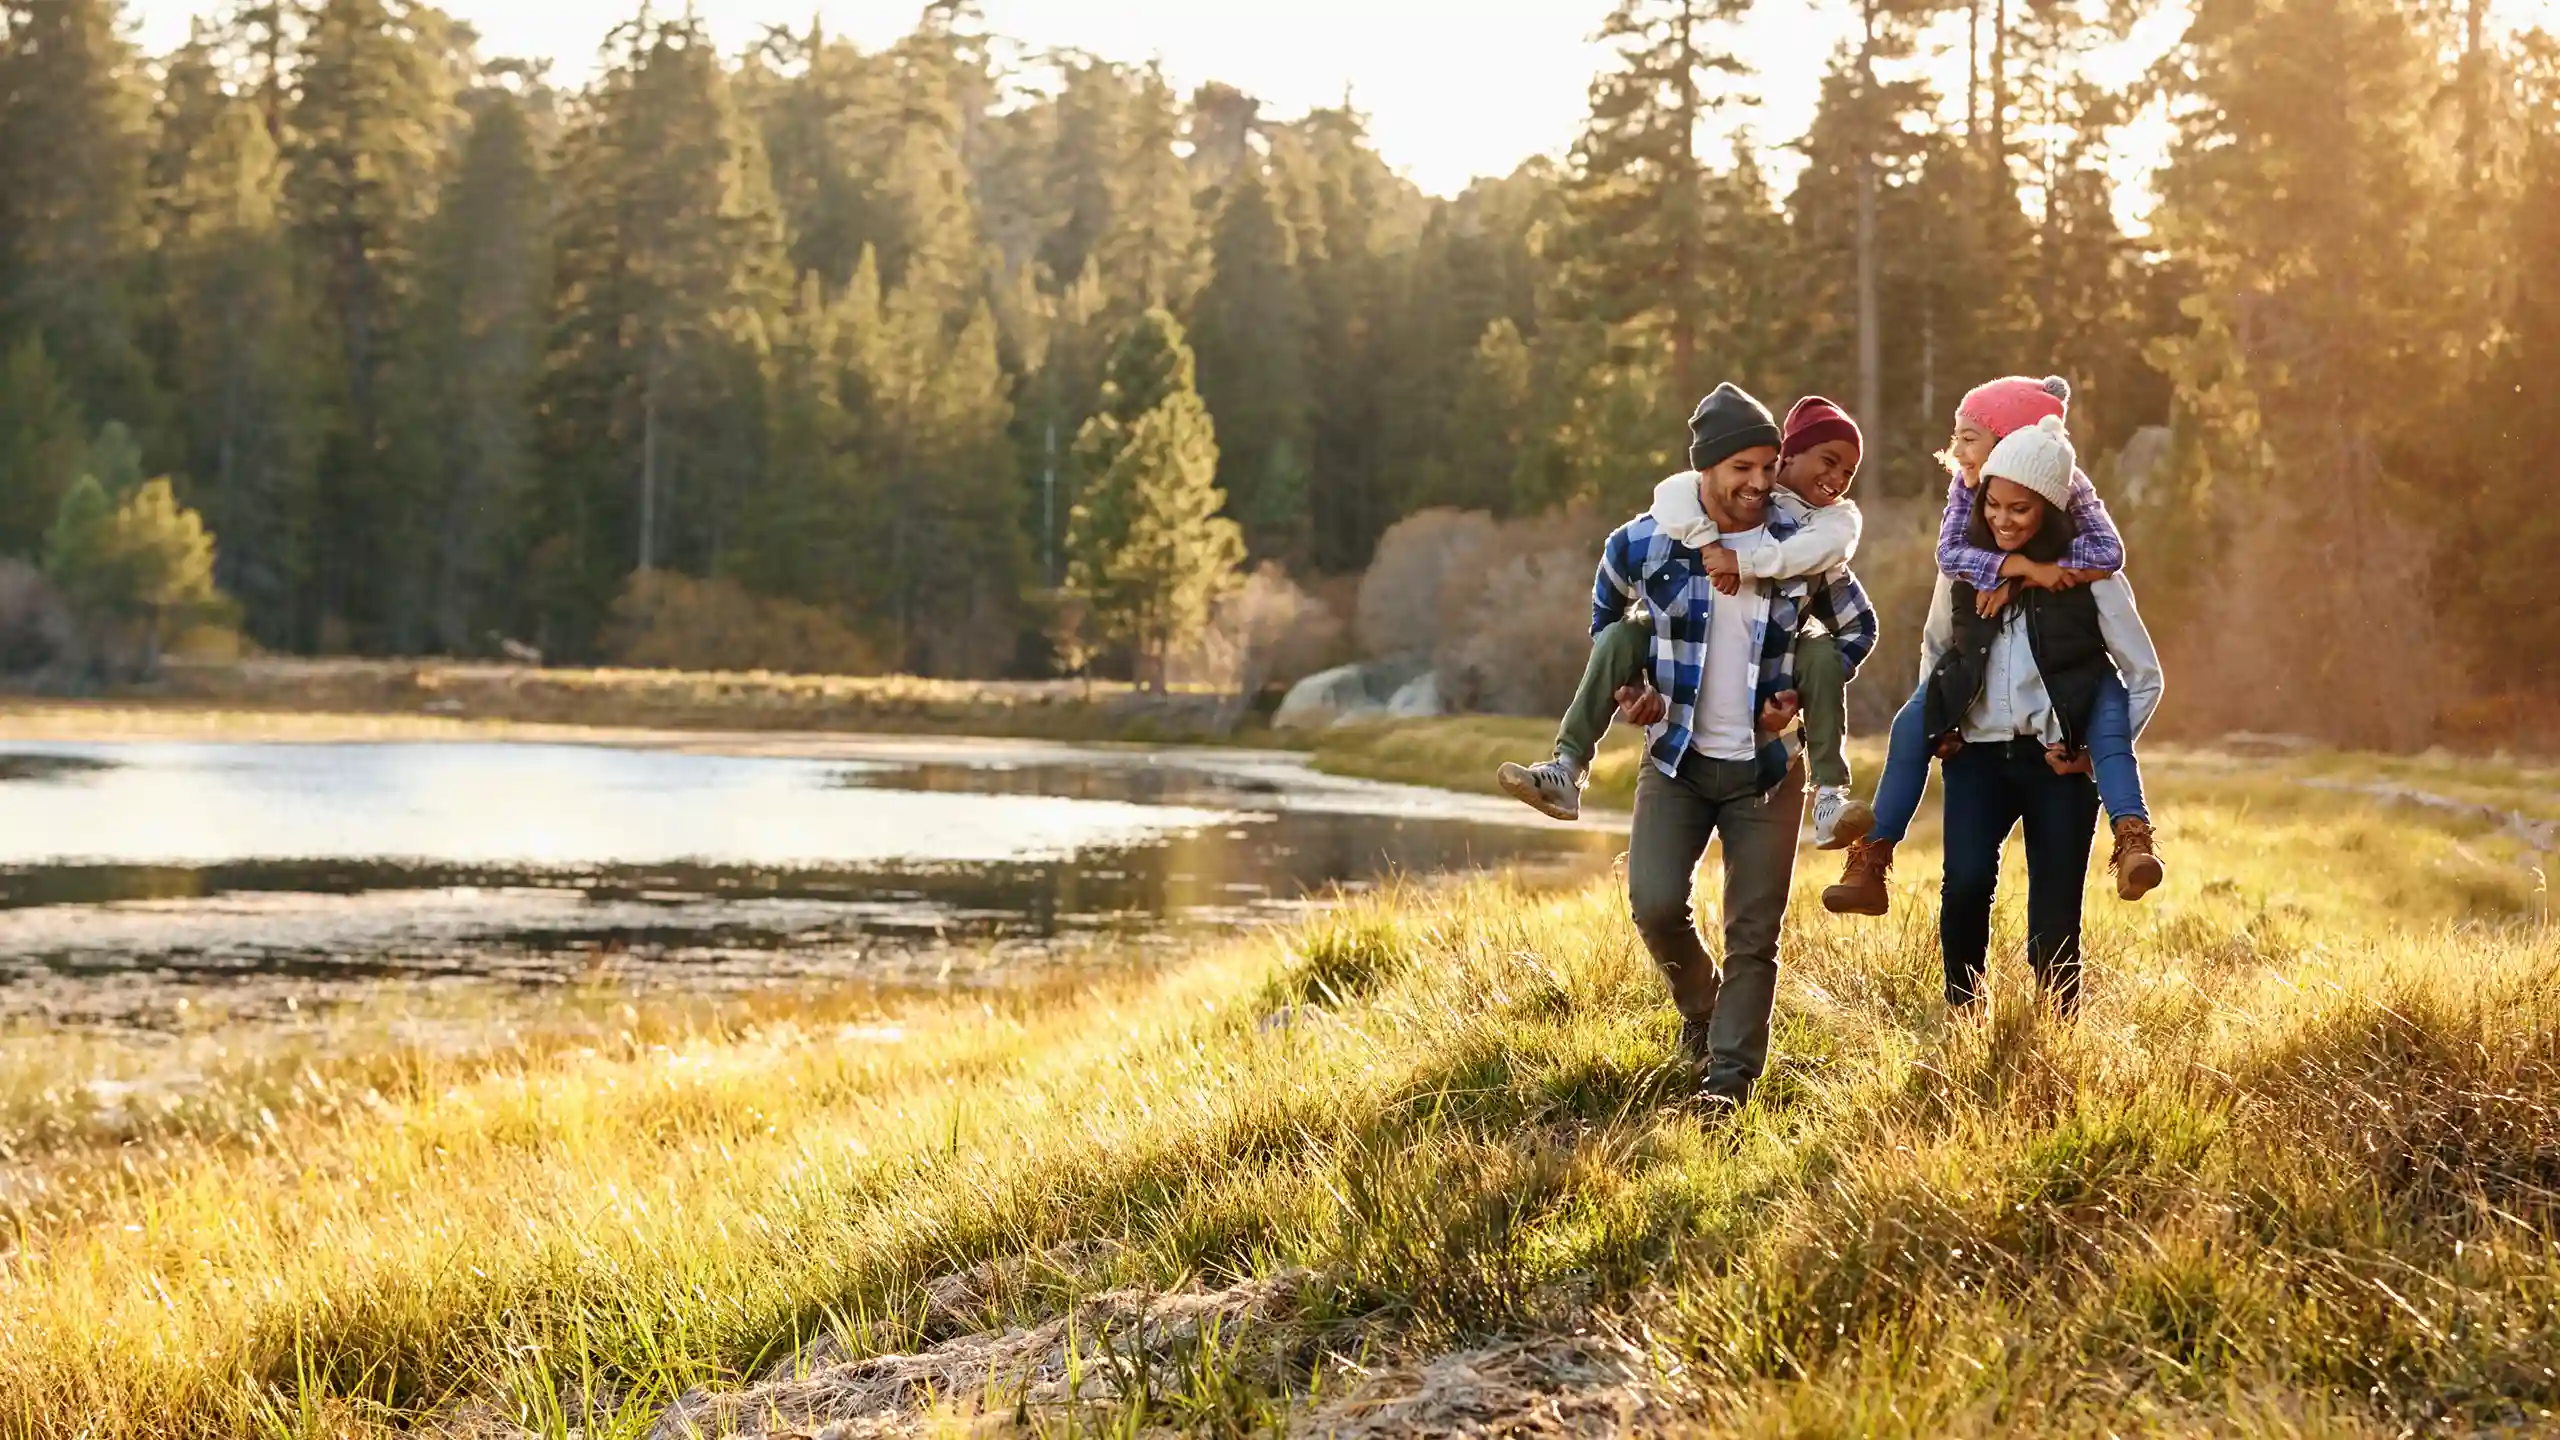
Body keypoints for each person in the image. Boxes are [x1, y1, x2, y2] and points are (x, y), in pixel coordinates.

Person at [1575, 383, 1878, 1109]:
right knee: (1654, 904)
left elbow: (1858, 628)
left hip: (1767, 774)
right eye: (1742, 468)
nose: (1759, 483)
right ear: (1704, 469)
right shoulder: (1646, 540)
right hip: (1675, 761)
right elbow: (1606, 617)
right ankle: (1705, 1010)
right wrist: (1631, 689)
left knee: (1754, 933)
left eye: (1768, 467)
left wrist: (1802, 693)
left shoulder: (1796, 547)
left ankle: (1729, 1082)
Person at [1823, 375, 2165, 917]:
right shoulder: (1967, 495)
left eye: (1969, 438)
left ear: (2010, 445)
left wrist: (2030, 574)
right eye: (1957, 437)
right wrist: (2012, 568)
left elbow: (2107, 555)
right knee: (1910, 726)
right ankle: (1871, 857)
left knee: (2109, 723)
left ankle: (2133, 837)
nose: (1957, 451)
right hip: (1976, 704)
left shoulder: (2066, 490)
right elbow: (1948, 573)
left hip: (2073, 686)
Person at [1496, 396, 1876, 847]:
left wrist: (1803, 688)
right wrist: (1632, 685)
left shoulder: (1823, 531)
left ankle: (1829, 796)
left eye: (1849, 472)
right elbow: (1670, 498)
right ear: (1787, 456)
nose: (1839, 480)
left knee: (1821, 653)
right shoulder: (1692, 512)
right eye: (1829, 462)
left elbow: (1857, 617)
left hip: (1768, 735)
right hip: (1677, 739)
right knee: (1619, 636)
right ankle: (1567, 768)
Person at [1920, 416, 2164, 1014]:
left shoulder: (2090, 579)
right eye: (1993, 506)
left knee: (2055, 910)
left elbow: (2144, 675)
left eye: (2020, 509)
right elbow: (1935, 648)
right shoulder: (1962, 570)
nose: (2003, 520)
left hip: (2058, 764)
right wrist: (1940, 723)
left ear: (2050, 510)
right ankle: (1964, 1017)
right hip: (1977, 758)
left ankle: (2056, 1032)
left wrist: (2094, 753)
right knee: (1965, 886)